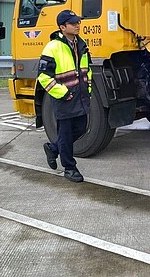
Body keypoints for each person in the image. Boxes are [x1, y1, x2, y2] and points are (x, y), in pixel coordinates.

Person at [38, 9, 92, 183]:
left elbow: (87, 70)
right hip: (65, 99)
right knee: (67, 133)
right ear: (62, 27)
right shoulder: (52, 47)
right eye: (73, 23)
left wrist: (88, 88)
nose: (78, 25)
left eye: (78, 22)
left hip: (81, 97)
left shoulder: (82, 44)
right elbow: (43, 77)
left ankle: (54, 148)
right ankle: (69, 167)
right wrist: (64, 93)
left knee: (82, 128)